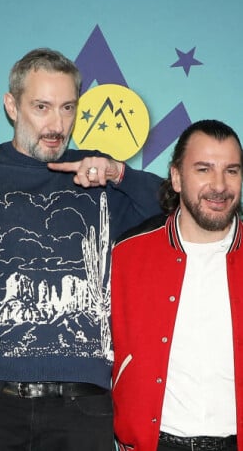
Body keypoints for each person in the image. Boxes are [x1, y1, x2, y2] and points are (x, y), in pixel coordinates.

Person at [0, 48, 162, 450]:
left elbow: (174, 208)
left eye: (67, 108)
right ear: (12, 106)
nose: (57, 124)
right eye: (41, 107)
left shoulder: (99, 177)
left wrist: (118, 172)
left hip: (81, 404)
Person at [111, 119, 243, 451]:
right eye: (203, 169)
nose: (219, 185)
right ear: (176, 177)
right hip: (154, 443)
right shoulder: (126, 256)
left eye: (231, 171)